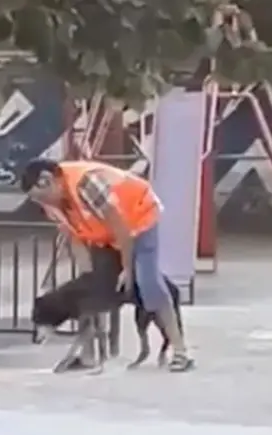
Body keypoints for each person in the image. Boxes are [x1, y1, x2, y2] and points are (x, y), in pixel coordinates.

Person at [19, 158, 193, 371]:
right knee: (90, 289)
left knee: (149, 284)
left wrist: (127, 270)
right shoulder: (51, 204)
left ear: (47, 180)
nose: (43, 203)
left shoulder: (86, 184)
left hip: (138, 220)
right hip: (103, 235)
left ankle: (180, 351)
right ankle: (88, 356)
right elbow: (74, 236)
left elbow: (121, 227)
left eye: (41, 197)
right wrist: (89, 276)